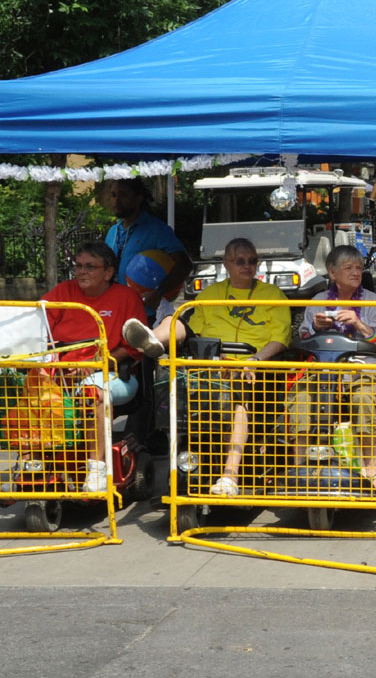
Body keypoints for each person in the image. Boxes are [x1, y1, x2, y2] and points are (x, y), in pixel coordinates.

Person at [122, 237, 290, 496]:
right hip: (210, 365)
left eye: (252, 261)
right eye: (240, 261)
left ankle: (229, 475)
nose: (247, 266)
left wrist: (255, 361)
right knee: (176, 318)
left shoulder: (273, 295)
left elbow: (280, 338)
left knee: (236, 398)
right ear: (226, 264)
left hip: (252, 370)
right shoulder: (211, 294)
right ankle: (154, 339)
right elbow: (193, 329)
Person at [42, 242, 146, 492]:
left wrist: (94, 365)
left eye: (90, 267)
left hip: (111, 373)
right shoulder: (63, 291)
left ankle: (96, 468)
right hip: (63, 373)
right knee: (27, 386)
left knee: (93, 392)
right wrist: (44, 366)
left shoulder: (126, 297)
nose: (81, 272)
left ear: (108, 272)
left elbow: (136, 347)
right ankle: (30, 464)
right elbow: (38, 327)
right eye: (78, 266)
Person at [288, 245, 376, 489]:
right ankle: (299, 465)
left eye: (358, 267)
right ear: (332, 273)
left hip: (364, 370)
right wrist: (317, 327)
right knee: (300, 397)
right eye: (348, 268)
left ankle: (371, 464)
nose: (356, 272)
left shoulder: (372, 300)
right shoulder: (318, 301)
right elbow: (302, 338)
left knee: (364, 398)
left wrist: (359, 325)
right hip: (324, 369)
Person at [104, 179, 193, 315]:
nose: (116, 201)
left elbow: (185, 265)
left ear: (138, 198)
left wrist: (159, 293)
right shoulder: (112, 231)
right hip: (116, 310)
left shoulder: (157, 229)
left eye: (123, 195)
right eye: (113, 195)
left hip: (146, 313)